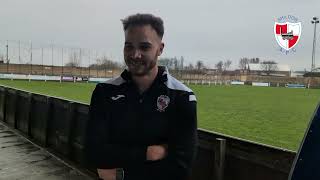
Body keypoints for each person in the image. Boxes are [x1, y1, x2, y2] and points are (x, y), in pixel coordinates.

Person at [85, 13, 198, 180]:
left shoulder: (182, 97)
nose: (135, 54)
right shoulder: (104, 91)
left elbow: (180, 168)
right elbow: (94, 153)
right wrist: (148, 153)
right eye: (129, 46)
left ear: (160, 49)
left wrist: (120, 174)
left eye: (144, 47)